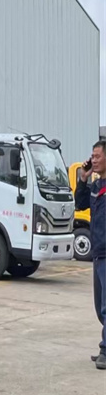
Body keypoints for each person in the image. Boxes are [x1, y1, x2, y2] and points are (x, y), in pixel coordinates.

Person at [74, 140, 106, 370]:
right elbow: (80, 203)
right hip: (98, 253)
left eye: (97, 156)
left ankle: (105, 349)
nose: (93, 160)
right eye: (92, 156)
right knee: (99, 306)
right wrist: (83, 180)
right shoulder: (96, 187)